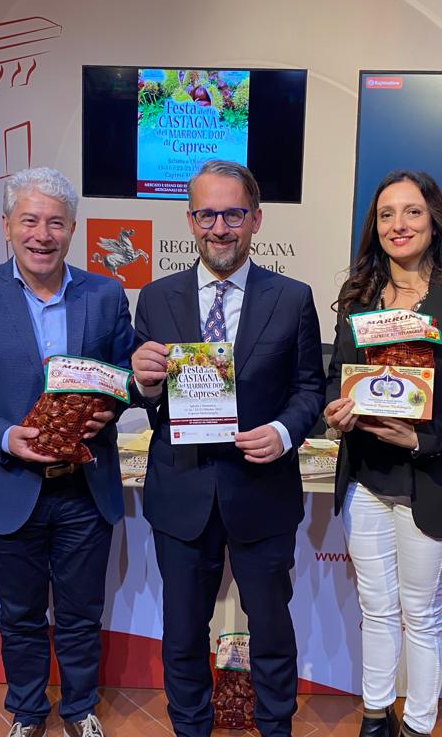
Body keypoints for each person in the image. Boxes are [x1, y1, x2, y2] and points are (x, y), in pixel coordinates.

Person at [0, 168, 134, 737]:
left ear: (72, 229)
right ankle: (26, 711)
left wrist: (111, 406)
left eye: (55, 222)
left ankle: (79, 708)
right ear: (6, 227)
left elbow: (125, 376)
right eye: (29, 220)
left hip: (83, 488)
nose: (42, 235)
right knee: (19, 614)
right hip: (8, 484)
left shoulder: (105, 294)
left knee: (81, 613)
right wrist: (3, 436)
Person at [130, 160, 324, 737]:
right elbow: (147, 398)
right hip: (181, 490)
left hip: (262, 490)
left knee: (271, 629)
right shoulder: (156, 298)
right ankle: (190, 727)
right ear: (191, 220)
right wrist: (144, 383)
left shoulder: (292, 298)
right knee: (183, 632)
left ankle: (275, 727)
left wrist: (284, 432)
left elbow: (310, 389)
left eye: (233, 214)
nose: (220, 227)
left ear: (256, 219)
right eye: (207, 214)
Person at [324, 171, 442, 737]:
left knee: (420, 614)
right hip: (365, 478)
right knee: (375, 607)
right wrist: (335, 410)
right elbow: (337, 376)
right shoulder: (359, 296)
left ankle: (419, 724)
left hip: (431, 476)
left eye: (412, 211)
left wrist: (424, 439)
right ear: (374, 227)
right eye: (386, 214)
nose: (399, 224)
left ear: (434, 220)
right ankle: (376, 716)